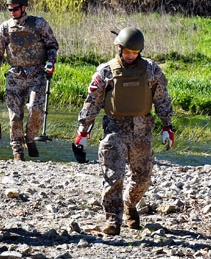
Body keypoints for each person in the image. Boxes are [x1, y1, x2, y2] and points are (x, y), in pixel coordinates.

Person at [73, 27, 174, 236]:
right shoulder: (106, 71)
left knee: (143, 177)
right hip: (114, 130)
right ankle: (112, 219)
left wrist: (167, 126)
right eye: (127, 52)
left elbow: (162, 98)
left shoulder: (151, 70)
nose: (130, 56)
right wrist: (83, 131)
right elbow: (92, 102)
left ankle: (129, 204)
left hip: (142, 131)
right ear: (119, 48)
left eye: (134, 53)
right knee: (113, 176)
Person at [0, 0, 59, 160]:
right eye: (9, 9)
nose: (12, 12)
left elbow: (52, 45)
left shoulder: (39, 24)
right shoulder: (5, 27)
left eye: (15, 9)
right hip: (15, 75)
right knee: (15, 116)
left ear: (24, 7)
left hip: (36, 74)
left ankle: (30, 138)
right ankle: (17, 150)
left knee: (35, 109)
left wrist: (51, 61)